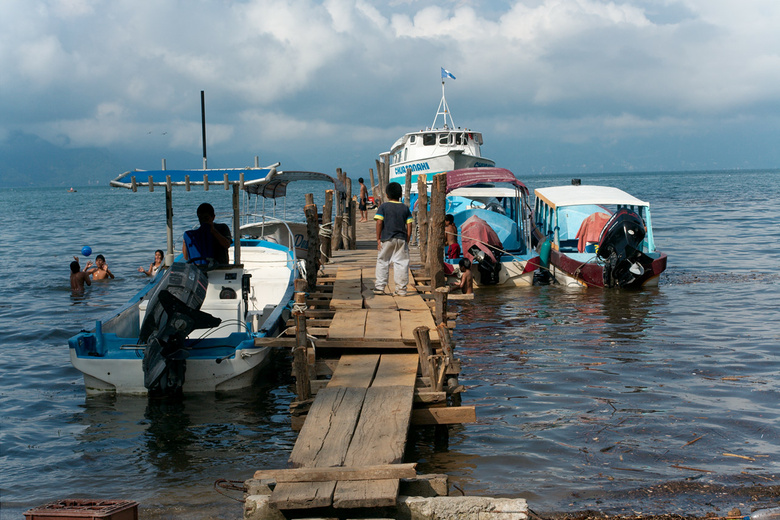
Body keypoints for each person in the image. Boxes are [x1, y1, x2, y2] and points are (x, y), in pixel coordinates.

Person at [374, 182, 413, 296]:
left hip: (386, 238)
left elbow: (379, 222)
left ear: (386, 195)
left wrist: (378, 238)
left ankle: (380, 287)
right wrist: (407, 239)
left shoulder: (383, 207)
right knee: (401, 263)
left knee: (382, 261)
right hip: (401, 238)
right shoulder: (405, 208)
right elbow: (409, 224)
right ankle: (401, 289)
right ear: (400, 194)